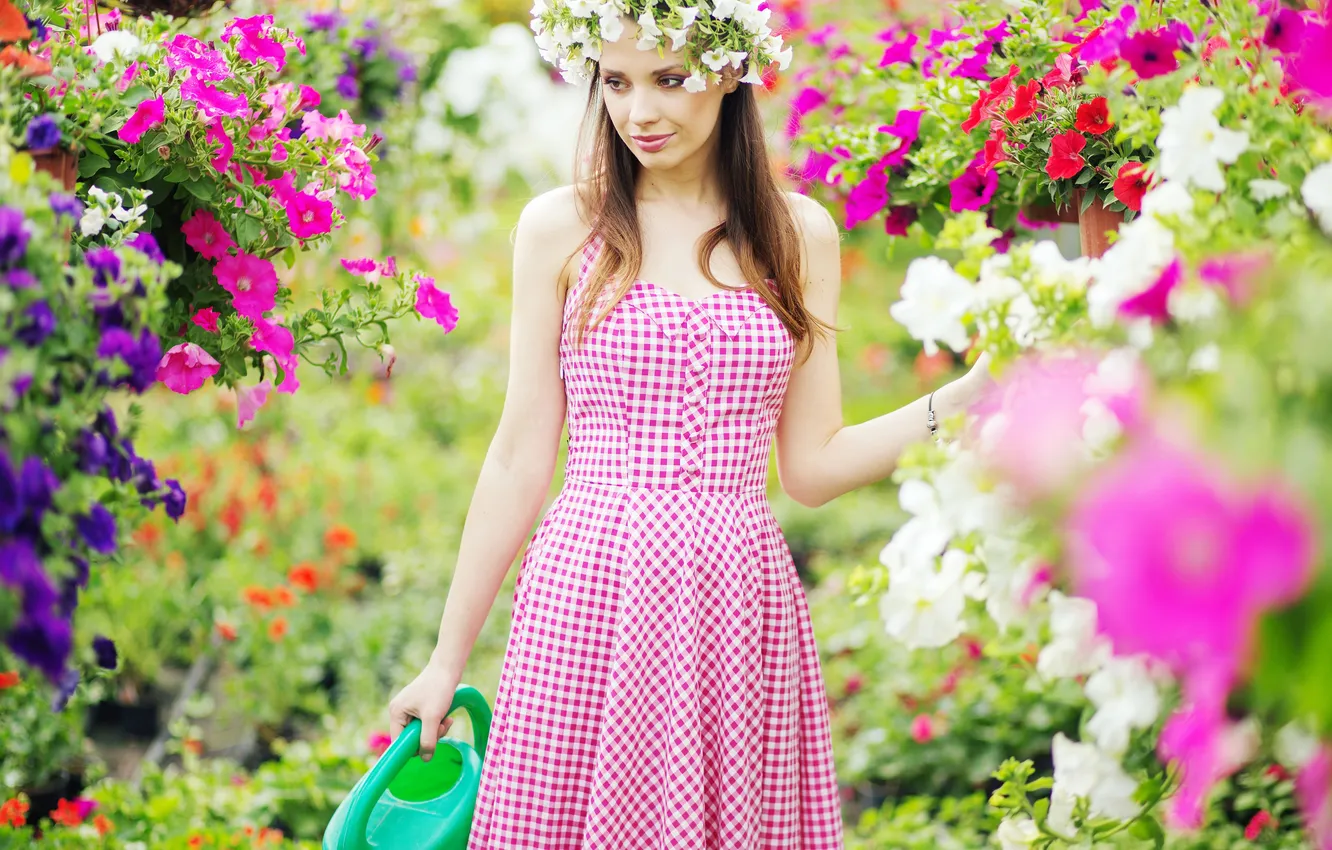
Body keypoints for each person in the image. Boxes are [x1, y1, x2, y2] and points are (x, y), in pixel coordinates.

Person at [387, 5, 993, 847]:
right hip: (589, 590)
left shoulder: (797, 234)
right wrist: (444, 662)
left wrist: (961, 400)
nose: (639, 113)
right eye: (618, 81)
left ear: (731, 72)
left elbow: (811, 468)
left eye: (670, 79)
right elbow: (520, 454)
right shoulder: (563, 227)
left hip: (738, 605)